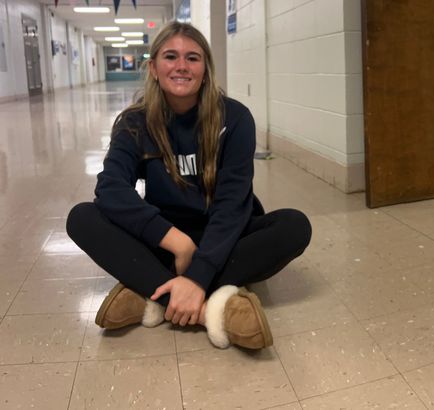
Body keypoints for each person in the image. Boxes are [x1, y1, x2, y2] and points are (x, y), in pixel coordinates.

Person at [66, 22, 311, 349]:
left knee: (294, 226)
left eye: (193, 58)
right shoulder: (134, 123)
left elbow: (233, 203)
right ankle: (216, 306)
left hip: (224, 237)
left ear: (206, 70)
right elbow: (111, 188)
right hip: (166, 239)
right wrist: (179, 244)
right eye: (171, 56)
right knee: (81, 217)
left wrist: (199, 273)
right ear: (153, 67)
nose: (181, 66)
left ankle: (156, 293)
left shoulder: (235, 119)